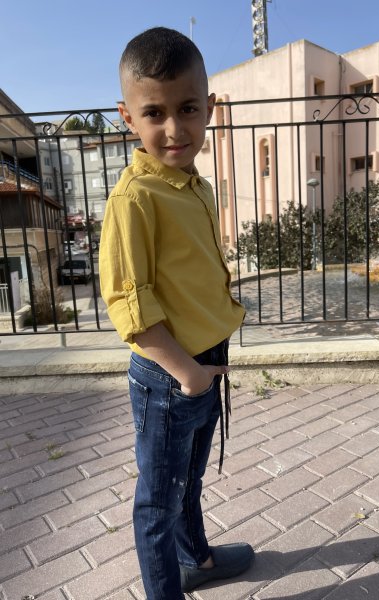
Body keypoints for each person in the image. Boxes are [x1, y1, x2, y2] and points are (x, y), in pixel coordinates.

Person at [99, 26, 254, 600]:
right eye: (154, 113)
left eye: (187, 108)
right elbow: (129, 303)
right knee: (157, 501)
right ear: (127, 118)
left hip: (204, 362)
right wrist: (187, 373)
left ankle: (198, 560)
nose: (174, 128)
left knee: (189, 479)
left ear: (208, 107)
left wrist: (203, 367)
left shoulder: (195, 185)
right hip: (169, 373)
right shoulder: (134, 198)